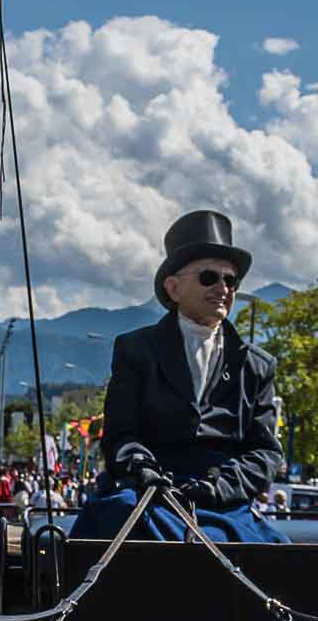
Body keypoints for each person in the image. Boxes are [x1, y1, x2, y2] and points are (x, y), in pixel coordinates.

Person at [71, 209, 286, 543]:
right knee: (112, 519)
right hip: (150, 492)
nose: (223, 288)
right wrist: (141, 468)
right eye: (209, 277)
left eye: (231, 281)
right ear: (173, 287)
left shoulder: (256, 365)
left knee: (274, 555)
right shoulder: (136, 350)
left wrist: (221, 486)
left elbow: (266, 452)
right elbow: (119, 434)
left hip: (222, 500)